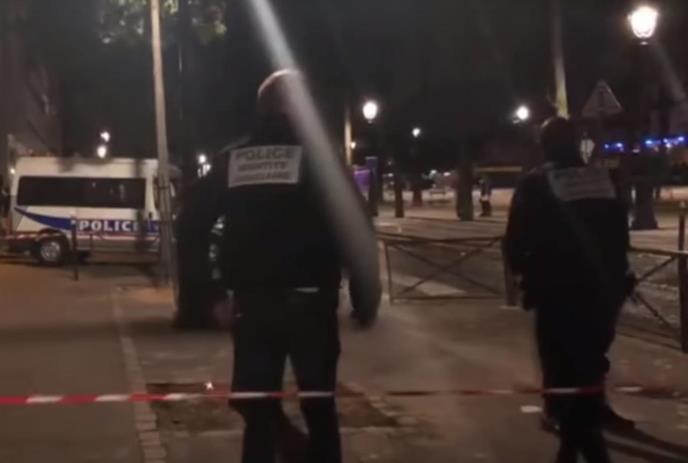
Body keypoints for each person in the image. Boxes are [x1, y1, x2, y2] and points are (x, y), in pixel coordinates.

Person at [177, 69, 381, 463]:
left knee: (257, 409)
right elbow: (357, 228)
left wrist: (210, 295)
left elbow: (190, 225)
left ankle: (281, 445)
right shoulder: (320, 160)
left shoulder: (234, 159)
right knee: (319, 408)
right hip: (311, 304)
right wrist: (365, 295)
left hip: (252, 307)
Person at [504, 117, 635, 463]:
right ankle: (577, 436)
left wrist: (524, 278)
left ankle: (571, 435)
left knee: (562, 371)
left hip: (556, 294)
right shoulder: (603, 179)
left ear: (544, 145)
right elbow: (621, 234)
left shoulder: (535, 184)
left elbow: (515, 241)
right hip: (603, 293)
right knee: (590, 366)